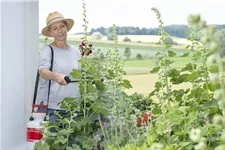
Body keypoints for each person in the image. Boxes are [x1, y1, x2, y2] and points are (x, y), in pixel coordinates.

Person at [36, 11, 81, 122]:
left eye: (62, 26)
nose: (60, 31)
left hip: (74, 108)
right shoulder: (48, 50)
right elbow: (42, 71)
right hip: (55, 109)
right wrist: (56, 76)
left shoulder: (76, 52)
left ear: (67, 28)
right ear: (50, 33)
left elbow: (80, 76)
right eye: (55, 28)